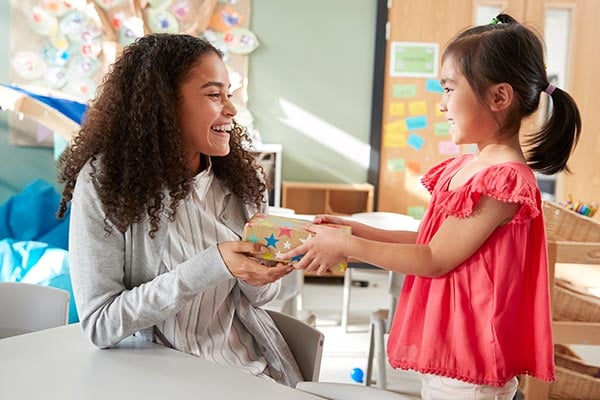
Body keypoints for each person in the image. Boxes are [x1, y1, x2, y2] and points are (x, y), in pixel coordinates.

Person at [282, 14, 581, 399]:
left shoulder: (503, 181)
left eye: (449, 89)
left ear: (499, 97)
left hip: (470, 360)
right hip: (451, 348)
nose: (441, 105)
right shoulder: (470, 167)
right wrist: (353, 230)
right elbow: (428, 240)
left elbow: (434, 258)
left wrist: (347, 247)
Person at [56, 33, 303, 387]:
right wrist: (214, 264)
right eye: (214, 94)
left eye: (228, 94)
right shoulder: (106, 183)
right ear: (164, 104)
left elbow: (259, 301)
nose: (230, 109)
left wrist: (258, 275)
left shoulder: (244, 183)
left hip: (244, 374)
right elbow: (100, 324)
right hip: (151, 382)